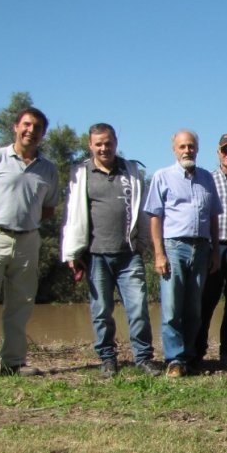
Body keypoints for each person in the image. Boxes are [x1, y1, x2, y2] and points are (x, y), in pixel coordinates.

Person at [0, 107, 59, 382]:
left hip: (28, 239)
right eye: (26, 125)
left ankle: (13, 362)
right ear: (16, 127)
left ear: (43, 133)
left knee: (22, 302)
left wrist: (26, 221)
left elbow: (49, 208)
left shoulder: (48, 170)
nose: (31, 130)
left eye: (37, 127)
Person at [62, 123, 160, 378]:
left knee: (138, 308)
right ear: (90, 145)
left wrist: (144, 243)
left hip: (129, 255)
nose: (104, 148)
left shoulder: (131, 170)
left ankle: (144, 358)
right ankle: (107, 359)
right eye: (99, 144)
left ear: (116, 142)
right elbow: (73, 215)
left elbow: (142, 209)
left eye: (108, 142)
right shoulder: (81, 173)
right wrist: (73, 252)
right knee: (101, 311)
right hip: (96, 256)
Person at [144, 130, 222, 378]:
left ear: (197, 149)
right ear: (174, 150)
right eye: (182, 146)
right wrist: (159, 253)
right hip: (174, 246)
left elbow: (213, 218)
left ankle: (189, 357)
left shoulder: (207, 179)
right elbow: (155, 217)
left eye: (191, 146)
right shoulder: (162, 177)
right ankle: (174, 359)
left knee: (194, 308)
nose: (187, 150)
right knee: (171, 307)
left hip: (201, 248)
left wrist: (215, 251)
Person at [195, 132, 227, 369]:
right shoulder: (207, 179)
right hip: (215, 247)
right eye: (225, 150)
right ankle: (198, 349)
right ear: (218, 153)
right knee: (208, 301)